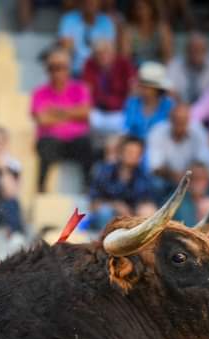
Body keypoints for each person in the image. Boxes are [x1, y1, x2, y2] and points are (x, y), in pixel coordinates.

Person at [31, 48, 92, 192]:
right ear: (47, 70)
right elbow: (42, 119)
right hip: (51, 142)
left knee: (87, 144)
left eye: (61, 68)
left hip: (76, 141)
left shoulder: (80, 88)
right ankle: (41, 189)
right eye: (53, 68)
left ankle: (88, 187)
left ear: (68, 69)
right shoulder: (39, 92)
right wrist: (72, 113)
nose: (57, 72)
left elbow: (85, 113)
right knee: (46, 145)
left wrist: (55, 111)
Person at [89, 135, 155, 227]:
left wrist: (132, 215)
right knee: (105, 212)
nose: (133, 156)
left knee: (148, 212)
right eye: (129, 152)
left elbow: (147, 203)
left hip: (132, 221)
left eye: (137, 153)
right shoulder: (105, 172)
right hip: (106, 220)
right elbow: (93, 203)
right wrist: (115, 206)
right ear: (120, 153)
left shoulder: (144, 178)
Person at [146, 102, 209, 192]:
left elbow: (203, 163)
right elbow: (155, 167)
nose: (180, 123)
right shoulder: (157, 132)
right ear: (170, 119)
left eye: (183, 120)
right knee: (155, 183)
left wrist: (186, 176)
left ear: (189, 120)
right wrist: (175, 176)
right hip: (166, 179)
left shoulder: (199, 132)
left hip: (191, 177)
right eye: (176, 119)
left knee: (203, 180)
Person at [83, 37, 135, 136]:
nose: (103, 56)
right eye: (99, 53)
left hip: (120, 109)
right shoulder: (90, 64)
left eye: (106, 52)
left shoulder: (123, 63)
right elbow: (87, 89)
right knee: (88, 119)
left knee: (125, 124)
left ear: (113, 53)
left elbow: (132, 86)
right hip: (97, 108)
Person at [58, 0, 117, 75]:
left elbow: (108, 51)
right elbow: (65, 48)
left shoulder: (106, 21)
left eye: (93, 2)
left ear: (99, 3)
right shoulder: (69, 19)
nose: (89, 4)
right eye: (86, 1)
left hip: (98, 71)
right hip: (75, 70)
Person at [168, 32, 209, 106]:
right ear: (186, 50)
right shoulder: (175, 64)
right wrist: (182, 106)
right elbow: (169, 90)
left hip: (207, 110)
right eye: (193, 49)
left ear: (206, 50)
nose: (196, 53)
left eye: (200, 49)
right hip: (180, 109)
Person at [123, 62, 174, 141]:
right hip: (134, 146)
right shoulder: (132, 103)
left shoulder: (168, 106)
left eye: (146, 87)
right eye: (142, 86)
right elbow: (127, 128)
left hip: (159, 147)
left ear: (156, 90)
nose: (142, 89)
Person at [120, 0, 174, 66]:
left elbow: (168, 57)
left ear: (151, 9)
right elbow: (125, 58)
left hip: (160, 70)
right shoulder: (128, 31)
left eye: (142, 8)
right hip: (136, 71)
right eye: (136, 8)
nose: (139, 12)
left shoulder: (162, 29)